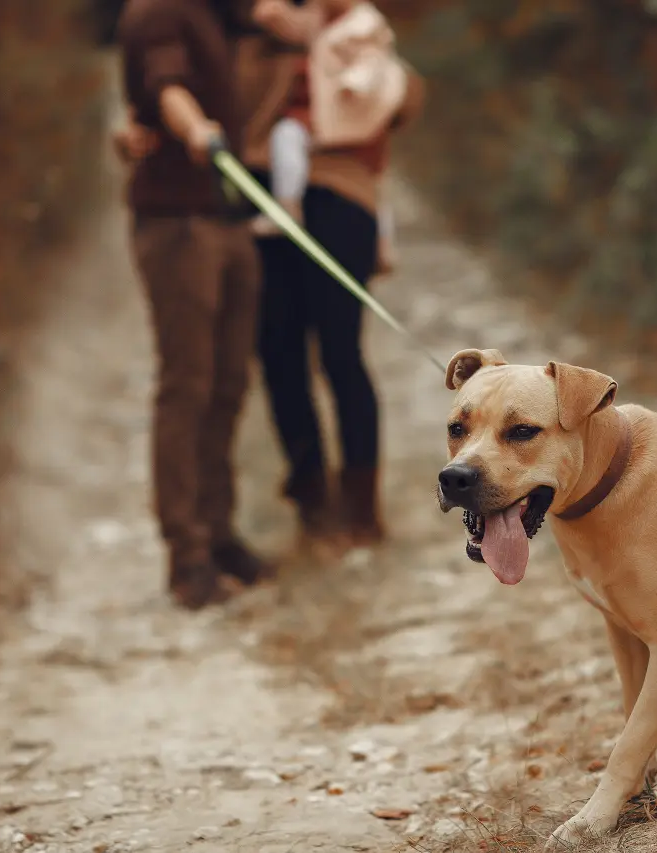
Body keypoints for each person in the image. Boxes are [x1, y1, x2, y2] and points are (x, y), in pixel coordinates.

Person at [115, 1, 425, 559]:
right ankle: (311, 500)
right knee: (278, 357)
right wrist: (146, 125)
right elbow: (180, 90)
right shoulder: (236, 31)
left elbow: (401, 95)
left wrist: (336, 66)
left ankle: (360, 506)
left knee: (340, 350)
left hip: (338, 194)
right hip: (254, 202)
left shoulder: (349, 28)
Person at [116, 0, 277, 609]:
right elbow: (167, 85)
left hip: (224, 218)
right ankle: (186, 556)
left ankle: (217, 531)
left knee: (230, 381)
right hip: (178, 224)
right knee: (188, 384)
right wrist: (195, 131)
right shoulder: (159, 11)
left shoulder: (216, 12)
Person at [245, 0, 406, 275]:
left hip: (341, 156)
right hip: (288, 158)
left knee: (375, 182)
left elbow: (377, 64)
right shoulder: (313, 21)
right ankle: (288, 206)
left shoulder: (359, 23)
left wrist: (355, 85)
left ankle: (382, 243)